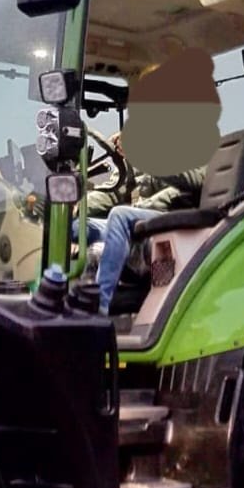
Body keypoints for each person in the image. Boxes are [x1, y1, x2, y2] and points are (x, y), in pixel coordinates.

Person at [83, 48, 222, 314]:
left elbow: (196, 179)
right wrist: (76, 207)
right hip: (138, 227)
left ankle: (99, 309)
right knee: (77, 224)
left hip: (170, 225)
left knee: (120, 215)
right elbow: (118, 188)